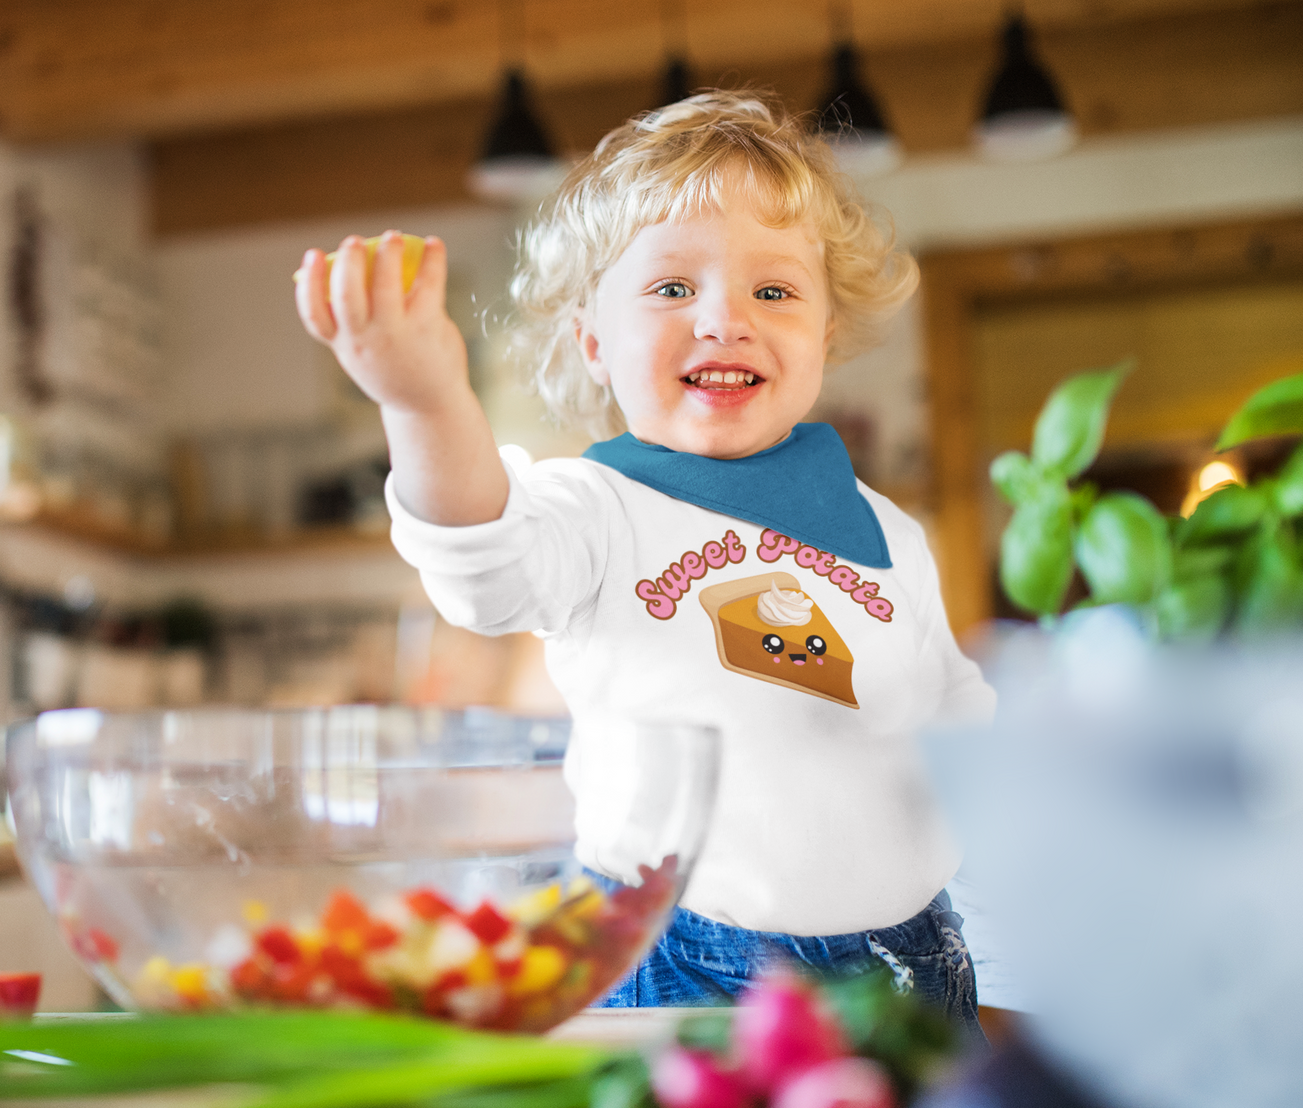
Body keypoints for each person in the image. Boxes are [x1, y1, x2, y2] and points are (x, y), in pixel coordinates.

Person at [295, 91, 994, 1036]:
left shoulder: (889, 534)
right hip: (681, 956)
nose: (723, 320)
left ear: (824, 335)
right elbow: (482, 565)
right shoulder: (596, 507)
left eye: (774, 291)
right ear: (592, 339)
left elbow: (957, 723)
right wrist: (424, 406)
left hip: (907, 960)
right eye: (671, 289)